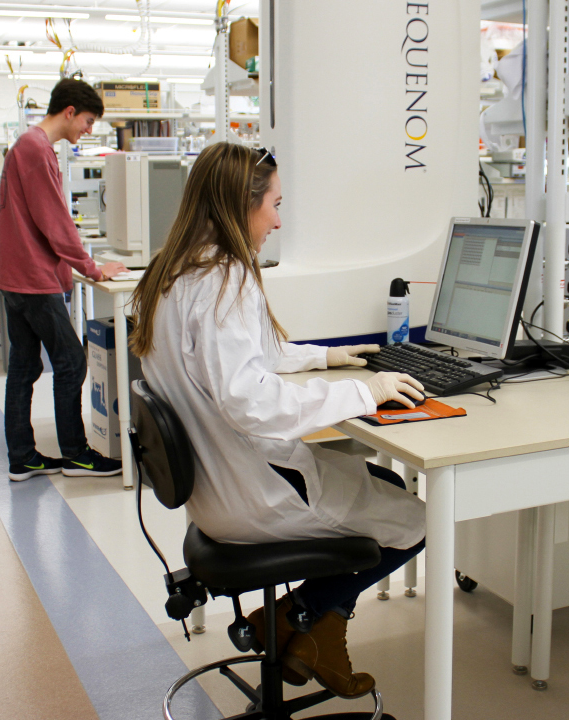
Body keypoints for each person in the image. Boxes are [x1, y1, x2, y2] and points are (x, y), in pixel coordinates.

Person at [128, 142, 427, 699]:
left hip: (213, 490)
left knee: (380, 484)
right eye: (274, 204)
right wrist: (368, 392)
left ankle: (317, 633)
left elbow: (241, 353)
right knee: (414, 519)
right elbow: (253, 403)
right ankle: (298, 617)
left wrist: (326, 358)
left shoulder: (172, 275)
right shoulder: (224, 279)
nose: (278, 218)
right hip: (249, 493)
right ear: (242, 206)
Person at [0, 79, 127, 482]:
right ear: (69, 111)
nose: (88, 129)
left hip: (12, 276)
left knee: (24, 366)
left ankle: (22, 456)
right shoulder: (36, 150)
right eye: (87, 121)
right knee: (71, 361)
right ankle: (76, 454)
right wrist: (92, 267)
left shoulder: (24, 145)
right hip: (32, 279)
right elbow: (53, 220)